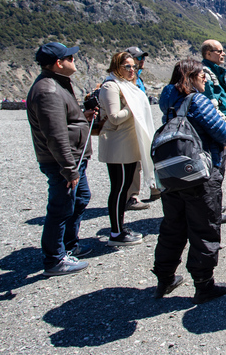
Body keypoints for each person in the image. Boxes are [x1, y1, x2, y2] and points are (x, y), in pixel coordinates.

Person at [152, 59, 226, 304]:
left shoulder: (168, 100)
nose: (205, 79)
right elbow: (222, 133)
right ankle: (203, 283)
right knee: (204, 227)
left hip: (172, 172)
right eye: (201, 75)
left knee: (172, 226)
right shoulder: (197, 100)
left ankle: (165, 277)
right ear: (190, 77)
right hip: (200, 172)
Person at [27, 43, 94, 276]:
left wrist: (82, 117)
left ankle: (69, 244)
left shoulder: (56, 85)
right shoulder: (48, 91)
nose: (74, 60)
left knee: (80, 198)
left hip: (72, 159)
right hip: (63, 162)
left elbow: (63, 122)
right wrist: (69, 169)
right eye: (71, 57)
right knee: (61, 206)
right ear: (59, 62)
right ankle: (55, 258)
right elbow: (54, 134)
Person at [98, 52, 156, 247]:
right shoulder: (111, 86)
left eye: (134, 67)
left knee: (124, 188)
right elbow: (114, 117)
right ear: (116, 67)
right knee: (119, 188)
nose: (132, 71)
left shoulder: (127, 86)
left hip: (130, 145)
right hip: (118, 146)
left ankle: (120, 227)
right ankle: (115, 232)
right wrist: (133, 107)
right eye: (127, 67)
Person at [201, 39, 226, 224]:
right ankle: (212, 211)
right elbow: (211, 105)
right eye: (219, 51)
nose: (223, 54)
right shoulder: (206, 73)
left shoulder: (214, 71)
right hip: (216, 132)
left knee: (219, 171)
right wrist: (222, 130)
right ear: (208, 53)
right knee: (216, 171)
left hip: (220, 132)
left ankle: (215, 205)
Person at [122, 46, 159, 209]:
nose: (141, 61)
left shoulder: (138, 77)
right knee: (134, 160)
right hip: (131, 125)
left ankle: (154, 187)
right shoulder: (126, 79)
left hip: (142, 122)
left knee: (148, 154)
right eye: (138, 58)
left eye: (142, 58)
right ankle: (132, 196)